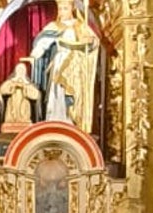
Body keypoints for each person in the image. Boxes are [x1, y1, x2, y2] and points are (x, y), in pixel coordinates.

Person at [29, 0, 100, 132]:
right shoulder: (53, 26)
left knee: (72, 91)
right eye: (60, 9)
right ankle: (55, 119)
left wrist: (89, 41)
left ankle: (70, 120)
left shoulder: (80, 24)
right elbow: (42, 42)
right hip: (60, 60)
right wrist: (36, 53)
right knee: (57, 91)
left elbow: (94, 42)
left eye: (65, 8)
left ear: (72, 9)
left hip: (75, 63)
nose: (62, 12)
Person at [0, 60, 41, 129]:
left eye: (22, 70)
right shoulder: (11, 82)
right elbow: (2, 90)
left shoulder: (28, 84)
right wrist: (13, 86)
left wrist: (25, 87)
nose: (20, 72)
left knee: (25, 118)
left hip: (24, 108)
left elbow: (36, 95)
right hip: (12, 108)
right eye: (19, 70)